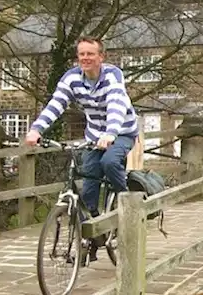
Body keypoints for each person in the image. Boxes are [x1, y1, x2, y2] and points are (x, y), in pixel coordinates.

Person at [25, 38, 140, 229]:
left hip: (121, 132)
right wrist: (36, 129)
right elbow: (56, 104)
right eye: (82, 54)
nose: (85, 58)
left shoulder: (113, 75)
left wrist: (111, 133)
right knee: (88, 187)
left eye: (90, 54)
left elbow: (116, 105)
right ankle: (94, 229)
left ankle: (128, 204)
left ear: (101, 57)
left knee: (109, 162)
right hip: (95, 136)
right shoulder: (72, 78)